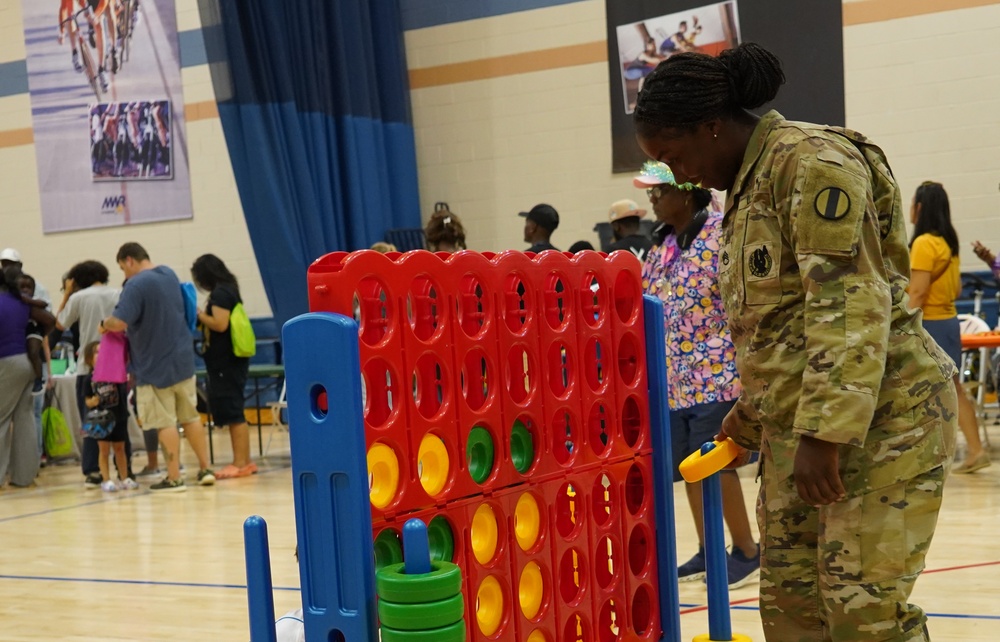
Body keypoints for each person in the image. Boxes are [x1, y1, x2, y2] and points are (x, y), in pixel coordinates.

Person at [634, 42, 957, 641]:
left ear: (710, 126)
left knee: (863, 619)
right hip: (799, 436)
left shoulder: (809, 162)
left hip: (882, 426)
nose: (677, 176)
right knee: (791, 613)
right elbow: (779, 328)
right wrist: (748, 417)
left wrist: (822, 435)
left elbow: (848, 305)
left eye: (673, 157)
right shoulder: (744, 189)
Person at [636, 160, 758, 588]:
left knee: (717, 467)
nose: (653, 200)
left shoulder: (720, 234)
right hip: (675, 382)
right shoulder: (662, 245)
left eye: (659, 192)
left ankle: (746, 550)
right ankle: (710, 551)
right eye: (650, 193)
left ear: (686, 193)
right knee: (689, 467)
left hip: (717, 375)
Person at [101, 243, 215, 492]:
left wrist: (105, 322)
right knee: (191, 416)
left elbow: (119, 322)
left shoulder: (135, 285)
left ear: (129, 260)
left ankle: (174, 477)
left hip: (153, 367)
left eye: (122, 268)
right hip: (182, 360)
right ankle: (205, 469)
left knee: (165, 422)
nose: (124, 273)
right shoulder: (168, 274)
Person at [908, 182, 990, 474]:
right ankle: (975, 449)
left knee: (920, 390)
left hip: (928, 323)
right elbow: (955, 291)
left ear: (919, 207)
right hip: (949, 321)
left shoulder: (923, 243)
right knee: (953, 388)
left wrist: (903, 325)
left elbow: (917, 292)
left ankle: (929, 455)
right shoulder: (948, 243)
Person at [56, 260, 136, 486]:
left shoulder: (78, 297)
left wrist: (67, 293)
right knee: (120, 418)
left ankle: (93, 471)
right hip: (116, 367)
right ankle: (125, 471)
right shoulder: (118, 293)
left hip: (88, 367)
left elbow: (60, 323)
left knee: (91, 419)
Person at [191, 254, 257, 480]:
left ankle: (240, 463)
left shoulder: (220, 294)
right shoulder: (230, 289)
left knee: (233, 411)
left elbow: (220, 324)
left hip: (226, 362)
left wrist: (199, 314)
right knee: (235, 409)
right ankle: (244, 461)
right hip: (230, 361)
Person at [0, 264, 55, 488]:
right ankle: (24, 477)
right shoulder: (22, 303)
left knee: (1, 420)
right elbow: (50, 320)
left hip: (6, 362)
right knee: (24, 418)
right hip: (27, 363)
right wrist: (37, 335)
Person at [79, 341, 138, 492]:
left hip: (119, 417)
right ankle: (106, 479)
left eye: (103, 351)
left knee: (120, 449)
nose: (101, 355)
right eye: (96, 352)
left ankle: (124, 478)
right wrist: (93, 401)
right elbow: (87, 400)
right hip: (102, 421)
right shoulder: (89, 379)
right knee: (103, 450)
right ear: (89, 358)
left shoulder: (115, 374)